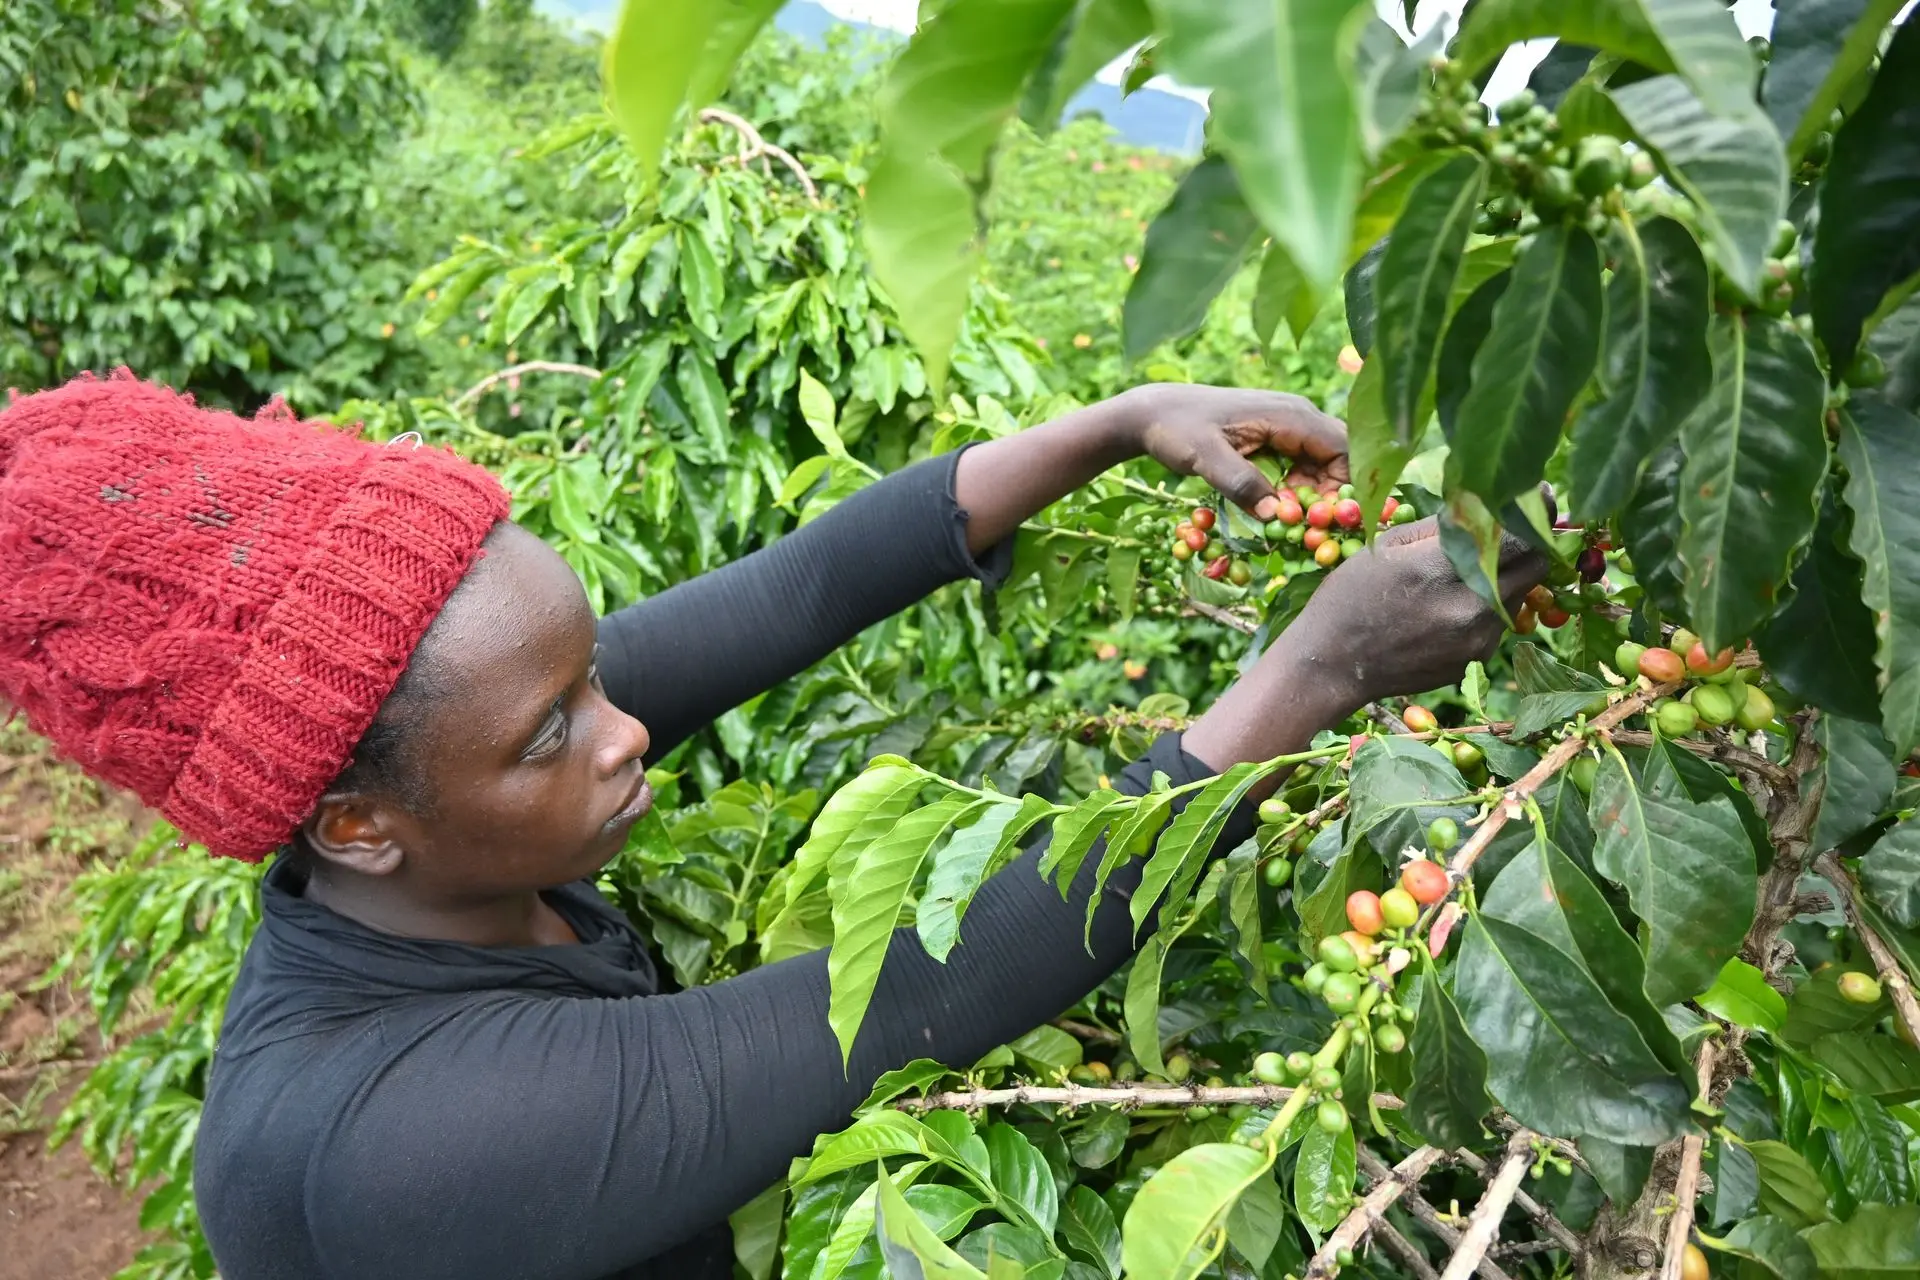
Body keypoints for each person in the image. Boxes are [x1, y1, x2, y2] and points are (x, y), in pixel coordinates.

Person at [0, 369, 1541, 1280]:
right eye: (561, 727)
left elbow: (794, 590)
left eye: (596, 672)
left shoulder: (446, 777)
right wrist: (1319, 669)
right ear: (354, 823)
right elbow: (924, 989)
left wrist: (1115, 424)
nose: (624, 730)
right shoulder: (387, 1141)